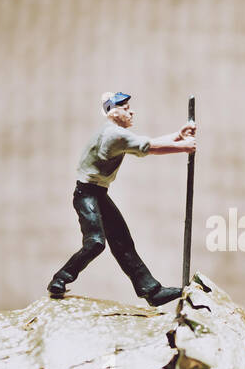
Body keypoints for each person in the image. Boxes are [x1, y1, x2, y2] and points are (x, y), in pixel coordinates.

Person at [48, 92, 196, 306]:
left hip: (98, 193)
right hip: (87, 195)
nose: (131, 111)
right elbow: (151, 148)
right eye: (126, 108)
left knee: (122, 241)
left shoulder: (115, 133)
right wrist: (184, 147)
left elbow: (148, 143)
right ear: (114, 112)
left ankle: (151, 290)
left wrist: (179, 136)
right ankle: (60, 278)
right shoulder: (114, 135)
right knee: (95, 243)